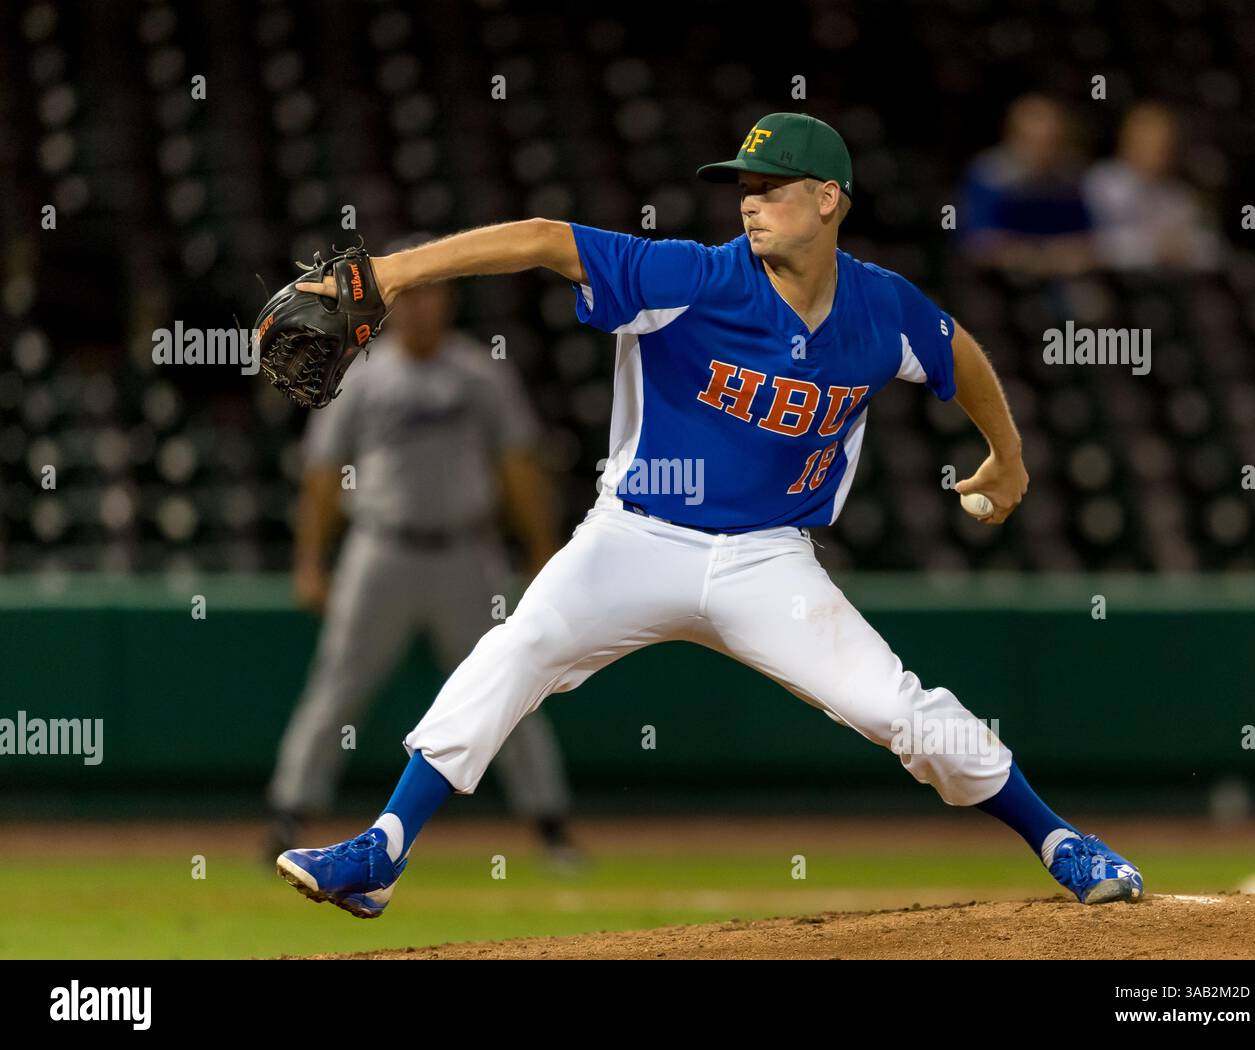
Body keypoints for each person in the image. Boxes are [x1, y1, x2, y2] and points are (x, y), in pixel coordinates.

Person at [273, 113, 1143, 919]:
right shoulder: (692, 275)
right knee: (516, 648)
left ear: (829, 198)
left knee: (898, 711)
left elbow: (955, 351)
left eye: (772, 185)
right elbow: (542, 240)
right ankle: (383, 850)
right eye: (745, 186)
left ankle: (1062, 841)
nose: (751, 201)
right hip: (635, 537)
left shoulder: (883, 307)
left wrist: (1010, 454)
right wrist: (386, 274)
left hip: (769, 561)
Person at [265, 256, 583, 869]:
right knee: (337, 688)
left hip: (467, 551)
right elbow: (324, 472)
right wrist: (310, 560)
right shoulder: (362, 375)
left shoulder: (479, 373)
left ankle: (550, 825)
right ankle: (287, 815)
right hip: (379, 548)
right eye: (409, 296)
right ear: (391, 304)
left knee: (508, 682)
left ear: (447, 302)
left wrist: (543, 551)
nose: (419, 306)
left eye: (430, 294)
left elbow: (519, 466)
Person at [958, 94, 1096, 276]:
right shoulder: (989, 175)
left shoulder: (1072, 176)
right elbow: (976, 241)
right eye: (1034, 142)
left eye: (1052, 142)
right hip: (999, 277)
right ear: (1013, 137)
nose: (1044, 152)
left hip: (1063, 273)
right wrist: (1025, 255)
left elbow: (1087, 236)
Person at [1082, 102, 1220, 272]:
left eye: (1166, 145)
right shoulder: (1103, 182)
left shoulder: (1181, 193)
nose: (1160, 152)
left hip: (1175, 283)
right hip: (1114, 282)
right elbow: (1096, 245)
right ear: (1128, 141)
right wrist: (1156, 248)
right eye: (1150, 143)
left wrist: (1182, 247)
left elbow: (1210, 248)